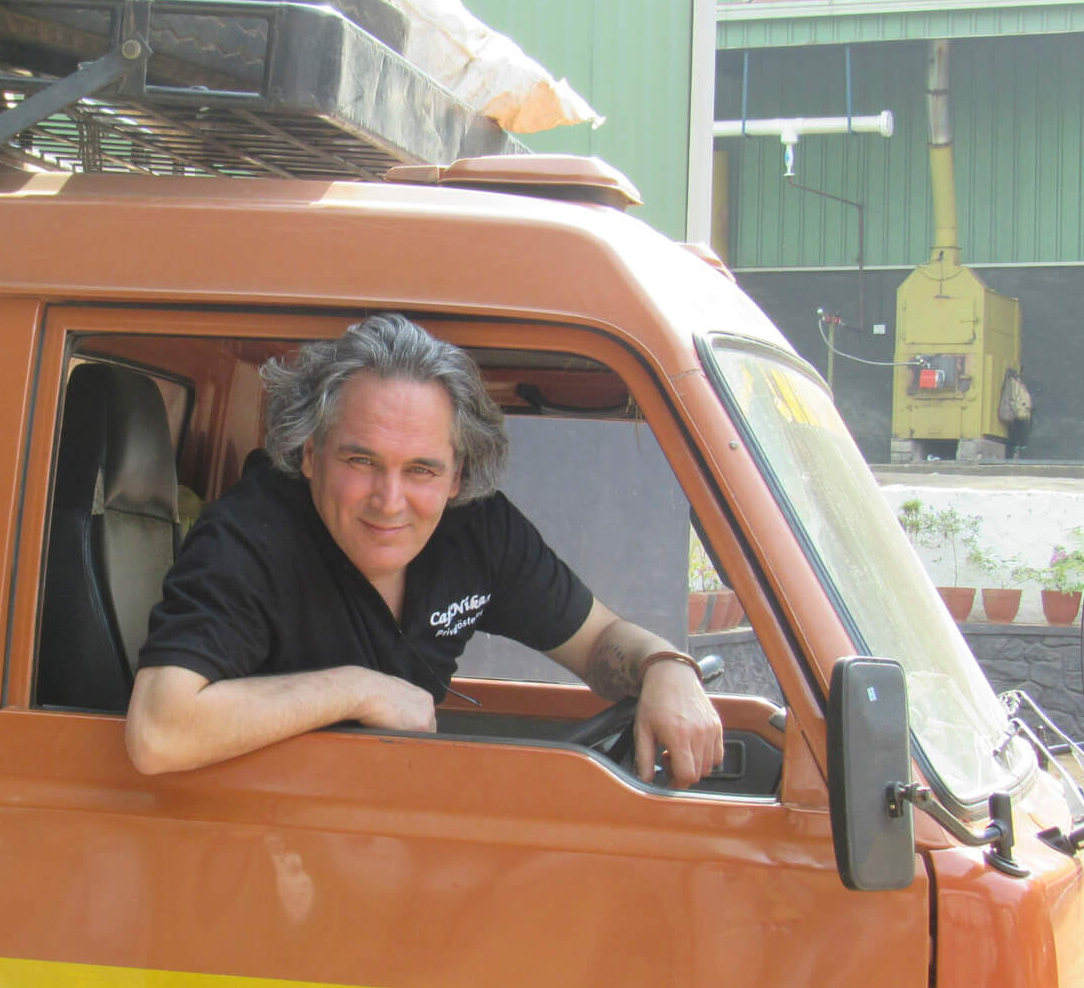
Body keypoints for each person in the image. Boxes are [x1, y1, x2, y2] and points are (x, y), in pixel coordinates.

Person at [125, 313, 725, 783]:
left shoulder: (475, 527)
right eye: (361, 461)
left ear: (458, 475)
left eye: (421, 470)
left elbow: (596, 642)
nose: (389, 501)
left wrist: (664, 668)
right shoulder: (248, 538)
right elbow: (159, 732)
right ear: (309, 454)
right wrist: (359, 688)